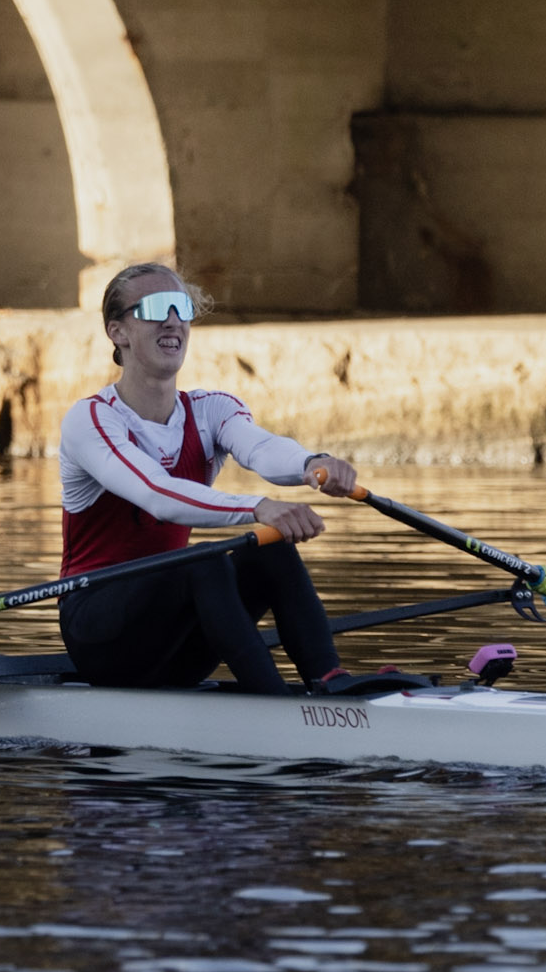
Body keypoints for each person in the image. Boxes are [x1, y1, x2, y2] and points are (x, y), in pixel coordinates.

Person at [56, 261, 361, 695]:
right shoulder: (90, 419)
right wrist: (258, 507)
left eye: (181, 308)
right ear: (118, 332)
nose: (173, 321)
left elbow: (261, 448)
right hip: (100, 634)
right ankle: (273, 701)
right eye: (156, 308)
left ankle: (330, 681)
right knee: (205, 560)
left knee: (271, 548)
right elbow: (156, 493)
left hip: (177, 639)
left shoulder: (211, 408)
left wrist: (312, 464)